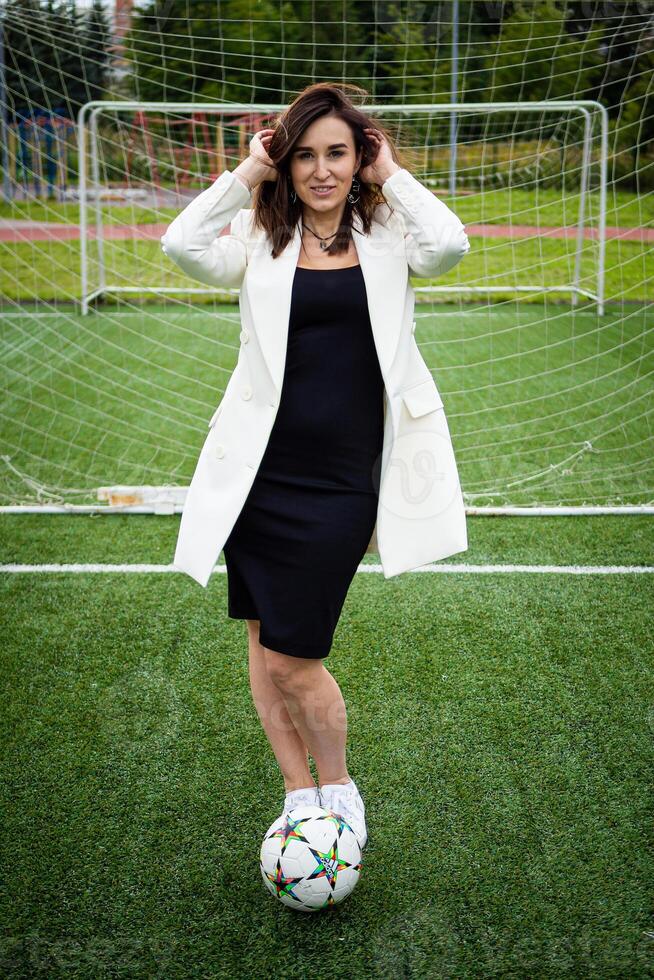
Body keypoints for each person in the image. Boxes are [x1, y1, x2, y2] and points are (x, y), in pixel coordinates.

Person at [162, 83, 470, 849]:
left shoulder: (390, 233)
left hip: (341, 482)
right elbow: (180, 245)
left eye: (337, 153)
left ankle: (339, 786)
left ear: (357, 157)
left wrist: (389, 171)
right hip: (259, 480)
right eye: (304, 154)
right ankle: (299, 794)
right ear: (285, 162)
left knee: (298, 659)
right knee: (265, 646)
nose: (321, 170)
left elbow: (452, 244)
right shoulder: (256, 240)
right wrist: (246, 173)